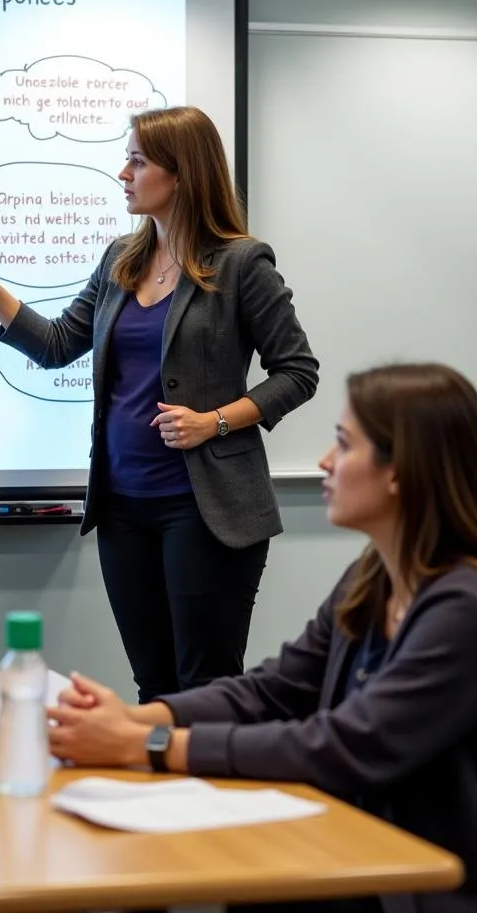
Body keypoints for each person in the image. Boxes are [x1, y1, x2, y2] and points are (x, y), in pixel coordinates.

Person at [47, 362, 477, 913]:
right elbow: (270, 691)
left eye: (344, 446)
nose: (324, 461)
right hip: (361, 854)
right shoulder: (370, 581)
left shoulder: (462, 610)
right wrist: (129, 720)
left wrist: (145, 747)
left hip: (428, 886)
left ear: (400, 472)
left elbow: (347, 746)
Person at [0, 105, 318, 699]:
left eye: (137, 161)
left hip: (205, 510)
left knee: (203, 689)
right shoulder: (122, 259)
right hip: (122, 509)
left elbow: (297, 372)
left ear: (182, 173)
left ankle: (209, 792)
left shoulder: (243, 263)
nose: (123, 173)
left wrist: (214, 421)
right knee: (152, 686)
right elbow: (59, 345)